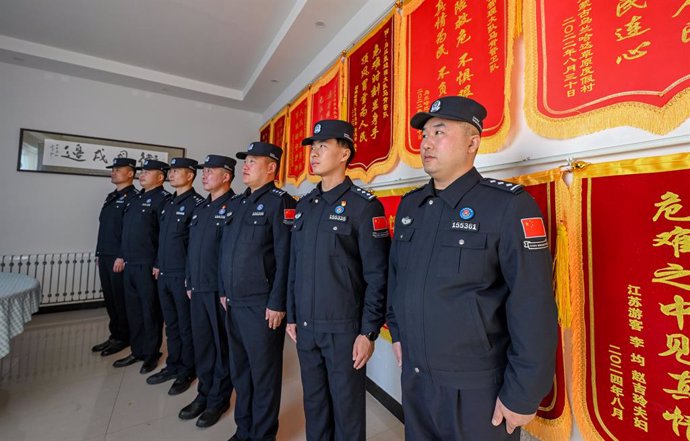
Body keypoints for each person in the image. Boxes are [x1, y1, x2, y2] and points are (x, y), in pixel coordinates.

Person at [386, 95, 558, 441]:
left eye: (439, 132)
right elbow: (398, 278)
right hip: (417, 380)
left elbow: (533, 305)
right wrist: (399, 332)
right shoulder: (412, 206)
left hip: (477, 388)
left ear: (472, 142)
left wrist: (523, 393)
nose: (426, 143)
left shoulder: (507, 206)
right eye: (423, 136)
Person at [286, 119, 390, 441]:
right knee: (315, 405)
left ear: (344, 153)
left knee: (347, 411)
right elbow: (295, 266)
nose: (314, 154)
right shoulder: (305, 206)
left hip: (343, 330)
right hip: (306, 327)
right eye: (312, 148)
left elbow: (378, 275)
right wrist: (291, 314)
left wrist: (368, 332)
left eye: (323, 147)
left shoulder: (364, 206)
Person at [219, 142, 296, 441]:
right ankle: (244, 429)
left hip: (262, 305)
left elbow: (285, 257)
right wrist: (224, 290)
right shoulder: (237, 203)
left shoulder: (281, 202)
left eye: (253, 161)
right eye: (245, 161)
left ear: (271, 167)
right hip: (234, 303)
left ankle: (263, 435)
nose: (245, 166)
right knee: (240, 370)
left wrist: (278, 302)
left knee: (263, 375)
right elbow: (227, 251)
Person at [178, 154, 235, 428]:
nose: (205, 175)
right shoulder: (200, 208)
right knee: (203, 346)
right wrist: (189, 280)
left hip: (218, 292)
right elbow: (192, 250)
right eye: (204, 171)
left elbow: (231, 256)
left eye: (211, 171)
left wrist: (225, 290)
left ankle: (218, 399)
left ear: (226, 176)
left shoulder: (235, 207)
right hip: (198, 289)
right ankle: (204, 393)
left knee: (221, 348)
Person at [147, 157, 204, 395]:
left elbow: (194, 247)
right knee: (170, 324)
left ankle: (187, 369)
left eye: (176, 171)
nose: (170, 175)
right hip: (165, 273)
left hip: (182, 275)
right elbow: (163, 239)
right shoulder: (169, 203)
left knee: (185, 325)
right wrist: (158, 263)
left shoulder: (197, 204)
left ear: (190, 175)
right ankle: (173, 364)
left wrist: (190, 277)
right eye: (170, 171)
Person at [114, 159, 170, 374]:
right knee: (134, 311)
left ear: (160, 177)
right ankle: (137, 350)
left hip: (148, 265)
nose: (142, 174)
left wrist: (158, 262)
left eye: (148, 172)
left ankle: (151, 353)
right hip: (131, 263)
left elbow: (163, 236)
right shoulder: (136, 199)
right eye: (142, 171)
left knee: (150, 311)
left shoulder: (162, 200)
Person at [93, 157, 138, 357]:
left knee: (121, 299)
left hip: (119, 258)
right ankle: (115, 334)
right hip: (105, 254)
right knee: (110, 299)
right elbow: (105, 227)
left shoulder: (134, 198)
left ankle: (124, 336)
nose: (113, 172)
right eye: (113, 169)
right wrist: (98, 253)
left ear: (130, 173)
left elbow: (130, 232)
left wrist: (122, 256)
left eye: (118, 169)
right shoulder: (111, 196)